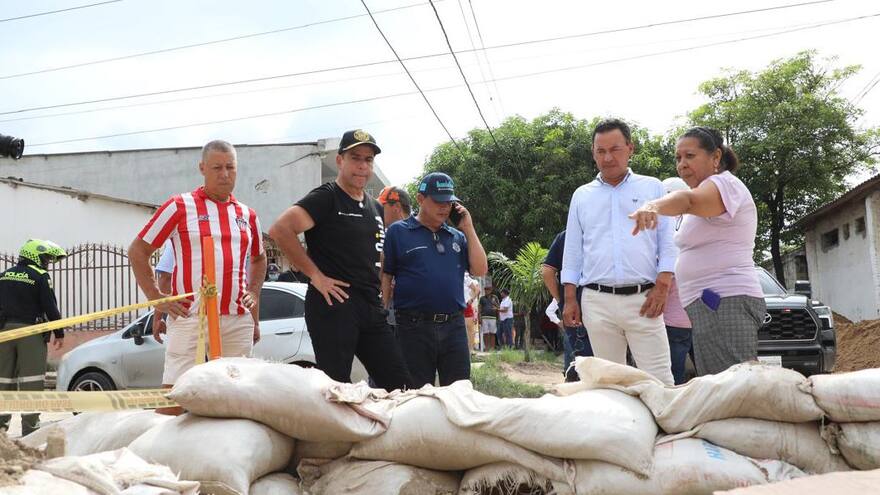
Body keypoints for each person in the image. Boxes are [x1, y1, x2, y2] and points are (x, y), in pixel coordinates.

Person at [129, 140, 267, 414]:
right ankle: (161, 453)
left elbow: (259, 258)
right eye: (217, 167)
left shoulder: (247, 215)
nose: (225, 174)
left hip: (236, 318)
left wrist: (254, 298)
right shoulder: (180, 206)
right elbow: (138, 250)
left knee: (236, 397)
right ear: (202, 168)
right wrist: (156, 299)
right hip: (189, 316)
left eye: (230, 167)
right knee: (176, 398)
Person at [268, 129, 411, 391]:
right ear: (340, 161)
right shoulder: (327, 196)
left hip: (370, 307)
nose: (362, 165)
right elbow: (280, 230)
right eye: (355, 157)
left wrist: (381, 292)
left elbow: (375, 254)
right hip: (334, 305)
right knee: (337, 388)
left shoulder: (374, 207)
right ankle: (331, 433)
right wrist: (316, 276)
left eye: (368, 160)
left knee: (400, 384)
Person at [629, 126, 765, 376]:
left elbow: (688, 201)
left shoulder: (724, 184)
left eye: (690, 156)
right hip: (711, 303)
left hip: (725, 300)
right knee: (721, 385)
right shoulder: (709, 189)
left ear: (715, 157)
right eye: (678, 158)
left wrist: (653, 206)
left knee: (734, 387)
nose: (682, 164)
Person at [561, 118, 676, 385]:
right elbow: (573, 249)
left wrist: (663, 285)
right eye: (600, 151)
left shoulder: (653, 188)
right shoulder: (582, 195)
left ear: (630, 148)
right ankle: (626, 427)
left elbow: (668, 241)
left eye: (615, 149)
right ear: (593, 153)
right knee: (611, 383)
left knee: (660, 380)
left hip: (644, 299)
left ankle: (671, 427)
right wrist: (570, 298)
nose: (608, 157)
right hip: (596, 301)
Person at [381, 172, 488, 387]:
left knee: (459, 394)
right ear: (420, 199)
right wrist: (382, 313)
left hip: (454, 327)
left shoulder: (456, 236)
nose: (444, 207)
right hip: (413, 328)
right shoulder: (398, 232)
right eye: (438, 201)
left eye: (449, 202)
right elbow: (386, 274)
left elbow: (480, 268)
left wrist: (468, 227)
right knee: (416, 396)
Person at [0, 239, 67, 435]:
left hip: (4, 333)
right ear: (34, 256)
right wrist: (59, 332)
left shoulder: (3, 276)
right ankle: (31, 430)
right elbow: (50, 306)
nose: (46, 263)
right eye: (45, 258)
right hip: (30, 333)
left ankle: (1, 431)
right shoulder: (40, 276)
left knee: (3, 380)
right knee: (32, 380)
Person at [542, 230, 593, 381]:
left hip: (573, 310)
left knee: (581, 367)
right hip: (607, 307)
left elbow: (547, 272)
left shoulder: (566, 236)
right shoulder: (605, 230)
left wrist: (562, 301)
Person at [660, 177, 694, 384]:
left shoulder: (669, 233)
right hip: (694, 319)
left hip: (671, 322)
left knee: (673, 376)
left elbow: (665, 279)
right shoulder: (693, 226)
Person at [377, 185, 413, 331]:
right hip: (393, 312)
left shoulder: (410, 233)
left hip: (406, 315)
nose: (378, 211)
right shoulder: (388, 233)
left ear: (396, 207)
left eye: (382, 207)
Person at [150, 240, 174, 342]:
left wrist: (157, 319)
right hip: (226, 314)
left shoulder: (183, 229)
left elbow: (165, 277)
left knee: (182, 357)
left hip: (187, 315)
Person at [462, 273, 481, 351]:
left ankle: (471, 350)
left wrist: (472, 299)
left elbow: (477, 290)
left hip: (466, 304)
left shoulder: (464, 277)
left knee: (470, 328)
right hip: (455, 305)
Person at [478, 286, 499, 351]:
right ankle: (487, 347)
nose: (487, 291)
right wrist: (479, 317)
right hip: (484, 317)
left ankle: (492, 348)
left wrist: (495, 305)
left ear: (491, 290)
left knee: (492, 333)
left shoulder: (495, 297)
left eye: (488, 290)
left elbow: (498, 307)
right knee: (485, 333)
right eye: (486, 290)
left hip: (493, 317)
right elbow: (480, 308)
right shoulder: (482, 298)